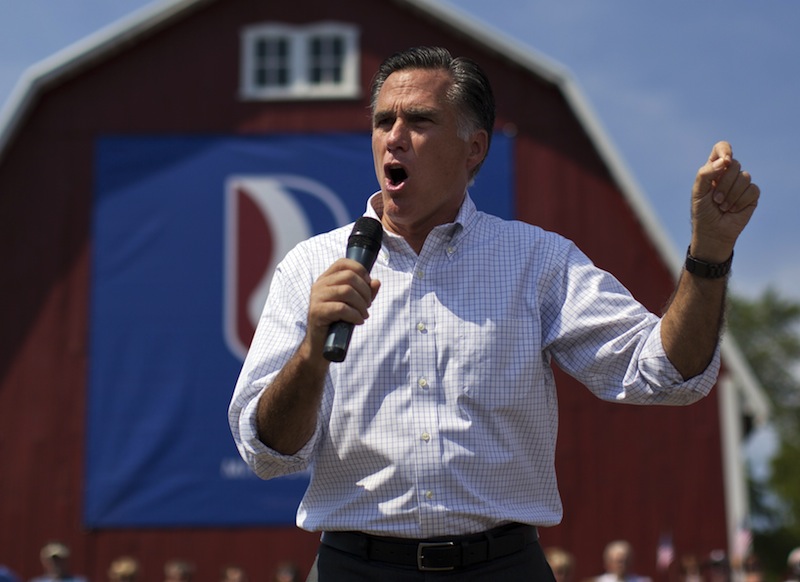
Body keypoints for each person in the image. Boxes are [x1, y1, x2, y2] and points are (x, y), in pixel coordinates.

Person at [228, 45, 760, 581]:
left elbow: (667, 374)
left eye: (420, 121)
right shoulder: (310, 266)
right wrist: (312, 350)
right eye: (383, 120)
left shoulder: (537, 262)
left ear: (474, 149)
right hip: (354, 568)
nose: (394, 136)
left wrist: (708, 254)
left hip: (501, 567)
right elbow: (267, 451)